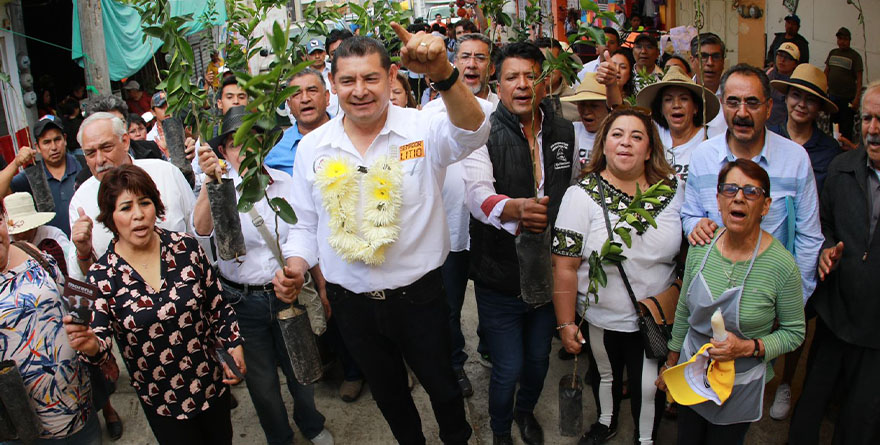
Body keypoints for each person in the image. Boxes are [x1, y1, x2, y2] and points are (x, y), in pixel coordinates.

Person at [282, 27, 488, 444]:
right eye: (347, 81)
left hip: (420, 298)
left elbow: (473, 132)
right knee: (390, 396)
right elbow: (304, 223)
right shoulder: (313, 148)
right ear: (332, 86)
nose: (360, 91)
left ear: (392, 76)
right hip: (352, 304)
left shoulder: (422, 127)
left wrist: (444, 73)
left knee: (444, 388)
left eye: (370, 78)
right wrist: (296, 264)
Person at [63, 164, 245, 444]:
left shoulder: (186, 248)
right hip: (163, 401)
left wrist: (233, 344)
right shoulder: (100, 277)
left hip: (212, 385)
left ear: (156, 206)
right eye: (125, 208)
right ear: (111, 218)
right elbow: (99, 348)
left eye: (145, 203)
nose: (138, 215)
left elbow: (217, 305)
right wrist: (89, 346)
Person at [194, 107, 333, 445]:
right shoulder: (221, 189)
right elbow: (200, 231)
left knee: (302, 370)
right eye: (237, 143)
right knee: (262, 384)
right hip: (241, 302)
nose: (247, 150)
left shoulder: (285, 184)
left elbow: (303, 232)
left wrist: (302, 276)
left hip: (287, 294)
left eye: (255, 141)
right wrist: (208, 184)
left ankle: (310, 422)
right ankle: (279, 436)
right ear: (224, 151)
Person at [464, 41, 574, 445]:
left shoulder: (563, 130)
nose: (523, 85)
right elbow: (476, 195)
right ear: (498, 82)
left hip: (548, 275)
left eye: (532, 75)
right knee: (507, 366)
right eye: (512, 77)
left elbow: (573, 189)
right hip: (499, 275)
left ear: (545, 82)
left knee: (537, 359)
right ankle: (498, 430)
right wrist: (514, 209)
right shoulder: (482, 130)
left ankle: (525, 412)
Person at [553, 107, 682, 445]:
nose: (626, 143)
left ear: (650, 149)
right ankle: (606, 422)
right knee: (606, 375)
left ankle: (645, 439)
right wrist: (567, 324)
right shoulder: (579, 196)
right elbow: (564, 266)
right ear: (604, 145)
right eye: (617, 135)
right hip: (601, 318)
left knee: (646, 387)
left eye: (637, 136)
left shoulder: (673, 191)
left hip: (655, 317)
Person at [659, 158, 805, 445]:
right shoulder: (701, 247)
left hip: (740, 385)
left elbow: (794, 332)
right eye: (730, 189)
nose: (739, 197)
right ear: (718, 199)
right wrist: (671, 361)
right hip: (692, 372)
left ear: (765, 206)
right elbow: (685, 309)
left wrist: (750, 347)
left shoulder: (782, 266)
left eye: (751, 191)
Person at [682, 64, 823, 302]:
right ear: (722, 104)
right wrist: (695, 225)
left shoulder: (795, 159)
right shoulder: (703, 156)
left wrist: (793, 300)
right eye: (733, 102)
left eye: (752, 103)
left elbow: (809, 238)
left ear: (768, 108)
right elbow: (689, 216)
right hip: (712, 295)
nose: (742, 113)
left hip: (772, 296)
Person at [788, 81, 880, 445]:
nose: (873, 130)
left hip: (876, 328)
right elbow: (821, 225)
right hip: (836, 313)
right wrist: (825, 249)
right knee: (812, 400)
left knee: (861, 415)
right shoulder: (842, 169)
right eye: (867, 119)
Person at [422, 31, 499, 398]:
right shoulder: (431, 112)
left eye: (480, 57)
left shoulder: (503, 110)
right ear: (452, 62)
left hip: (492, 229)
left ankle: (490, 346)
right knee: (449, 307)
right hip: (450, 230)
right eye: (464, 56)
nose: (471, 64)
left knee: (493, 299)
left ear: (491, 66)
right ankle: (455, 362)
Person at [0, 197, 101, 444]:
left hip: (79, 410)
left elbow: (80, 298)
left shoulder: (30, 251)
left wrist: (84, 254)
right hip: (22, 432)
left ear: (5, 218)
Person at [67, 113, 196, 282]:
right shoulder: (81, 200)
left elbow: (197, 233)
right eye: (90, 153)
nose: (99, 160)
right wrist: (83, 252)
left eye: (106, 148)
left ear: (125, 141)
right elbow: (83, 278)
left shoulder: (166, 173)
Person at [0, 115, 83, 236]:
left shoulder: (83, 164)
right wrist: (15, 163)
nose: (53, 147)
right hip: (53, 249)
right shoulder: (32, 176)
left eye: (57, 139)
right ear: (37, 147)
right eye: (46, 142)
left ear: (65, 139)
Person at [636, 65, 720, 182]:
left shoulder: (710, 139)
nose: (676, 105)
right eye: (668, 99)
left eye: (684, 99)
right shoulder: (652, 137)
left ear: (695, 107)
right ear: (660, 109)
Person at [768, 64, 841, 194]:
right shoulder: (767, 137)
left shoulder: (829, 149)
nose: (801, 104)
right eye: (796, 95)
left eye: (810, 100)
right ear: (786, 98)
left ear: (819, 107)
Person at [266, 69, 332, 175]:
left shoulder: (350, 134)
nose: (305, 99)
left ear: (327, 97)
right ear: (289, 105)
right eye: (296, 94)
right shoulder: (276, 150)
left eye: (312, 91)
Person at [560, 73, 610, 178]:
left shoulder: (615, 136)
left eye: (594, 106)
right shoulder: (570, 131)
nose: (586, 111)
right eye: (582, 105)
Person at [825, 26, 863, 142]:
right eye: (840, 39)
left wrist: (857, 99)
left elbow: (859, 80)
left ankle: (846, 153)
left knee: (846, 128)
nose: (842, 42)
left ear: (849, 40)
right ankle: (833, 148)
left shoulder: (855, 56)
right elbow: (826, 72)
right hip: (832, 97)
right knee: (833, 126)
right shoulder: (833, 53)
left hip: (847, 99)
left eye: (845, 39)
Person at [689, 33, 728, 138]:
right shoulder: (683, 96)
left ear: (723, 62)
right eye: (703, 57)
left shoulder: (731, 99)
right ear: (692, 61)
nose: (710, 63)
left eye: (716, 57)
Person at [535, 37, 579, 122]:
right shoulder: (522, 100)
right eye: (541, 63)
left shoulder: (576, 101)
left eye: (552, 62)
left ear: (563, 65)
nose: (546, 69)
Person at [766, 42, 800, 127]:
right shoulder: (766, 73)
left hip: (782, 130)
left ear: (795, 64)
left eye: (788, 58)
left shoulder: (796, 83)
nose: (782, 60)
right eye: (780, 55)